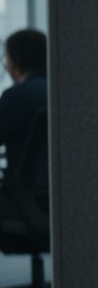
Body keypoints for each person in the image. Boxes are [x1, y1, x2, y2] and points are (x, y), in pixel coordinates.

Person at [0, 28, 48, 190]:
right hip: (56, 192)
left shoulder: (16, 96)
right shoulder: (60, 94)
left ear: (13, 60)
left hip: (21, 197)